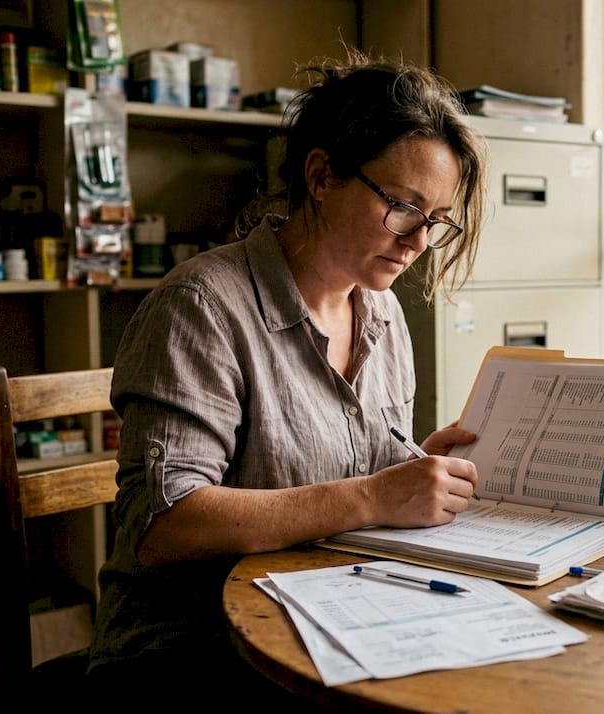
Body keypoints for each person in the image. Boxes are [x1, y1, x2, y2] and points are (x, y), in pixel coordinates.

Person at [85, 52, 489, 707]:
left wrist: (416, 471)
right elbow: (162, 523)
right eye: (403, 207)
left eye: (437, 219)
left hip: (332, 620)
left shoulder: (382, 310)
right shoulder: (201, 306)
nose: (418, 241)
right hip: (189, 656)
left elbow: (354, 470)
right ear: (322, 175)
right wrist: (373, 497)